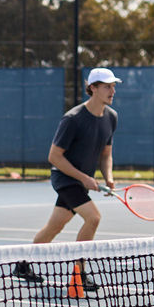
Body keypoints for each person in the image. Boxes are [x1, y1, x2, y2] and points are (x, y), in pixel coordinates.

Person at [12, 67, 119, 287]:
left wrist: (108, 177)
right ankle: (79, 274)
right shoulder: (73, 119)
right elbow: (54, 157)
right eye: (107, 86)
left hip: (81, 182)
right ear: (93, 88)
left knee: (55, 226)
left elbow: (106, 154)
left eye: (113, 86)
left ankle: (22, 265)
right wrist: (84, 178)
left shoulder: (111, 117)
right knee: (93, 218)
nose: (112, 91)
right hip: (66, 180)